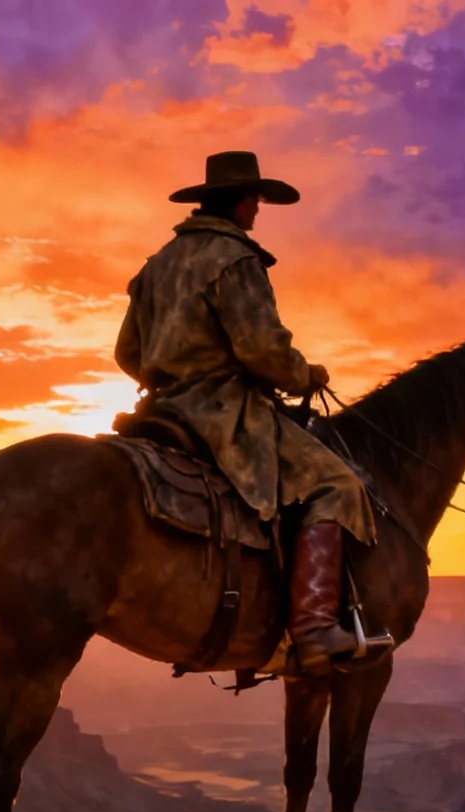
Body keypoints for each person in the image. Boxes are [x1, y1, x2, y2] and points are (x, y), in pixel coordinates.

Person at [114, 151, 384, 674]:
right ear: (240, 200)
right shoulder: (234, 259)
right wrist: (306, 376)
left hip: (161, 409)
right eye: (255, 200)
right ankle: (312, 629)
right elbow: (263, 350)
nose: (258, 210)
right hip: (224, 416)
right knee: (336, 485)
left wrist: (170, 374)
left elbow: (128, 353)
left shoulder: (156, 267)